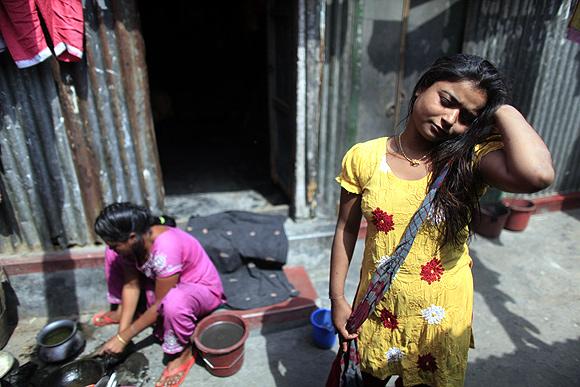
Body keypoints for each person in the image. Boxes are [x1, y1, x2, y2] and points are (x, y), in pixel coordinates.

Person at [329, 54, 554, 387]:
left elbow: (537, 175)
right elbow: (346, 229)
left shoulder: (470, 160)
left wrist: (502, 110)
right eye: (447, 101)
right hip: (377, 308)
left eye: (467, 117)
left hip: (439, 317)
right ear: (422, 88)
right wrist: (337, 299)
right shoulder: (364, 158)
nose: (451, 119)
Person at [93, 202, 225, 387]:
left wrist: (123, 338)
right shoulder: (134, 244)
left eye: (115, 245)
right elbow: (131, 286)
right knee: (112, 256)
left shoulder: (166, 246)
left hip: (200, 290)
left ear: (131, 238)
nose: (113, 248)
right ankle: (121, 313)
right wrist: (121, 336)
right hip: (163, 284)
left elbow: (160, 304)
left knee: (173, 303)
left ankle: (183, 354)